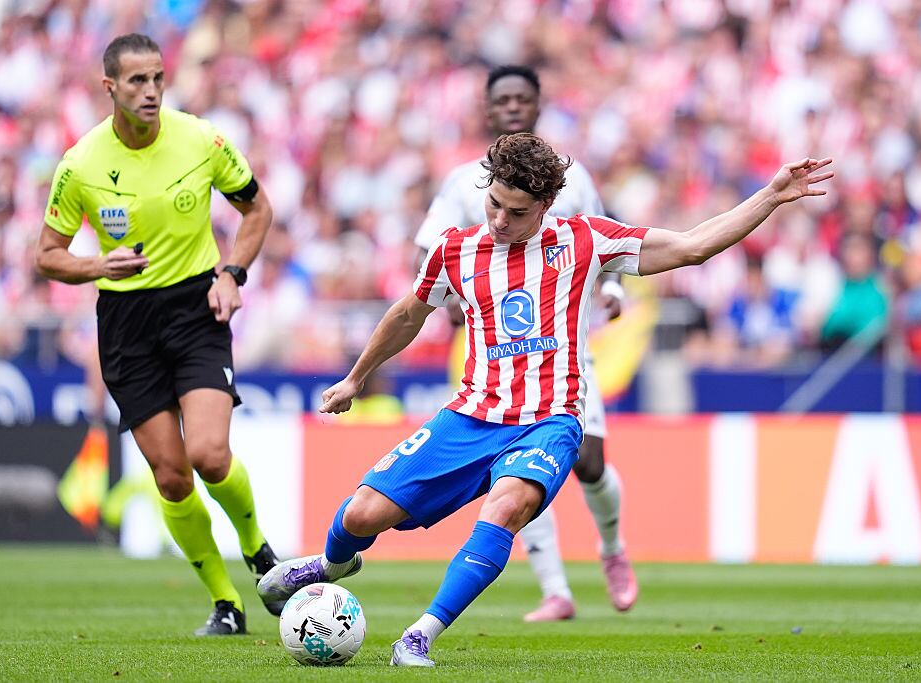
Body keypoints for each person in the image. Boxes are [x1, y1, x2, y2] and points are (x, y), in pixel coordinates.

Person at [259, 132, 833, 666]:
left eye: (518, 212)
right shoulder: (454, 251)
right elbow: (409, 313)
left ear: (546, 205)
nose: (501, 220)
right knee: (361, 514)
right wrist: (357, 377)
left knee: (505, 508)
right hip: (469, 415)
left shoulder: (585, 240)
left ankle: (419, 636)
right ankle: (332, 564)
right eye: (494, 205)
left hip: (549, 421)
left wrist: (773, 196)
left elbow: (691, 247)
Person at [35, 33, 281, 636]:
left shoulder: (201, 139)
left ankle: (259, 553)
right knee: (170, 475)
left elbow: (257, 210)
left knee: (208, 454)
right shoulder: (82, 164)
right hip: (126, 323)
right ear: (110, 88)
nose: (150, 91)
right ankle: (226, 603)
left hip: (196, 309)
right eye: (137, 82)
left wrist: (232, 273)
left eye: (158, 79)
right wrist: (97, 265)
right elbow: (48, 254)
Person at [413, 65, 636, 622]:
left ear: (538, 106)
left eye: (522, 98)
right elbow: (429, 250)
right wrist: (457, 297)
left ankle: (611, 547)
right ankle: (555, 588)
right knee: (516, 465)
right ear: (489, 112)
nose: (512, 107)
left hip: (564, 346)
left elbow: (610, 241)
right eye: (502, 100)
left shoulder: (573, 179)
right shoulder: (464, 181)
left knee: (587, 462)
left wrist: (610, 289)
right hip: (493, 350)